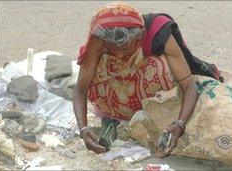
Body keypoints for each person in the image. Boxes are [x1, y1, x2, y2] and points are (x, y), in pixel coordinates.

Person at [73, 2, 221, 158]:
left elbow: (189, 85)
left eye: (124, 48)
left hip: (144, 86)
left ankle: (141, 114)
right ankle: (112, 116)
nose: (119, 55)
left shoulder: (158, 33)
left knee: (162, 67)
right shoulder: (99, 39)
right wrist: (83, 129)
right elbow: (80, 89)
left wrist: (180, 124)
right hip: (114, 93)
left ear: (139, 36)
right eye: (111, 49)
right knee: (97, 67)